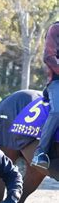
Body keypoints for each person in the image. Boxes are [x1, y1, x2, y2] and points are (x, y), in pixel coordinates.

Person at [32, 21, 59, 169]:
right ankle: (40, 153)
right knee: (57, 111)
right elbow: (49, 56)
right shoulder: (56, 29)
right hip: (56, 81)